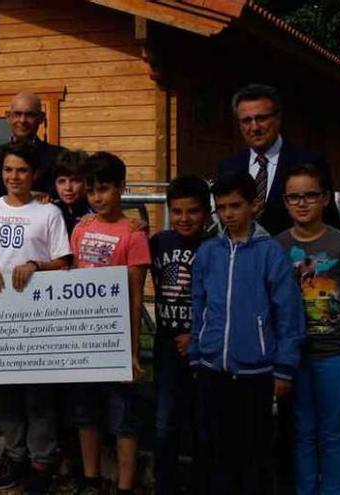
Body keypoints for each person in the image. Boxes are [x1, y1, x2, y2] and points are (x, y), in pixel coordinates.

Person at [189, 171, 305, 495]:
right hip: (214, 369)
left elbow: (288, 315)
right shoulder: (209, 252)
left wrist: (284, 368)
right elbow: (198, 306)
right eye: (222, 207)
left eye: (236, 205)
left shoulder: (271, 254)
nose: (228, 214)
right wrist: (198, 354)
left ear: (254, 205)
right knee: (217, 450)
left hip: (257, 372)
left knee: (254, 453)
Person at [0, 143, 71, 495]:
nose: (15, 177)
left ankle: (42, 461)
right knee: (7, 392)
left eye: (22, 171)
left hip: (38, 314)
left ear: (34, 175)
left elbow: (63, 261)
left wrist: (35, 265)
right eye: (9, 170)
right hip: (0, 311)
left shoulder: (49, 213)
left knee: (39, 393)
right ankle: (14, 456)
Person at [275, 163, 340, 495]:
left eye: (310, 195)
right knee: (302, 430)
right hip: (294, 358)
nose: (302, 203)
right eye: (294, 197)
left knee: (333, 432)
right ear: (285, 202)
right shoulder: (278, 246)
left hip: (336, 356)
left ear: (325, 198)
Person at [69, 152, 150, 495]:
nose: (97, 197)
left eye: (104, 189)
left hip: (117, 340)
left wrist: (132, 352)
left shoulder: (134, 234)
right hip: (83, 337)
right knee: (85, 413)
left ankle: (125, 486)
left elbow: (135, 297)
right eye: (91, 191)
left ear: (121, 188)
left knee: (124, 420)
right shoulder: (81, 228)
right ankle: (91, 479)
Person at [149, 176, 211, 494]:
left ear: (207, 213)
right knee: (164, 424)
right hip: (166, 346)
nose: (185, 219)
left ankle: (202, 483)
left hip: (205, 351)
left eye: (193, 212)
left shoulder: (214, 248)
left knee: (203, 424)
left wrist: (198, 337)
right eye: (177, 212)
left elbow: (224, 302)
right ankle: (164, 484)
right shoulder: (158, 242)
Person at [218, 83, 339, 236]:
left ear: (278, 118)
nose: (254, 127)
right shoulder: (228, 166)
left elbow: (330, 223)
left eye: (261, 118)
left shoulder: (309, 162)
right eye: (247, 120)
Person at [0, 92, 65, 206]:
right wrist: (25, 196)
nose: (22, 120)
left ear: (41, 118)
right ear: (8, 117)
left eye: (29, 115)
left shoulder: (59, 157)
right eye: (17, 114)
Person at [52, 149, 92, 235]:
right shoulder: (49, 210)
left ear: (86, 182)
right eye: (62, 181)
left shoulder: (96, 211)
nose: (68, 188)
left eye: (75, 181)